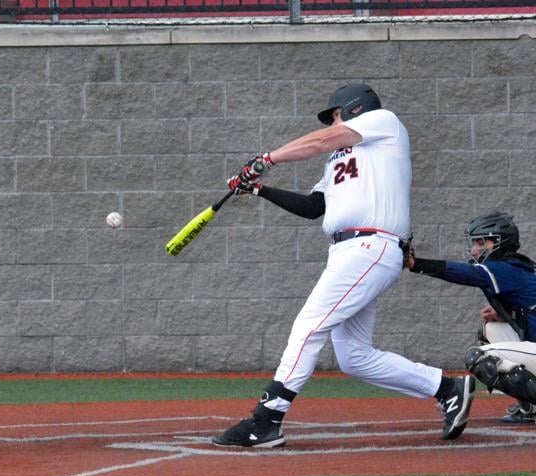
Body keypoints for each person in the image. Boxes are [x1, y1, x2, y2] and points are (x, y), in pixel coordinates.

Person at [211, 83, 475, 448]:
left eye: (335, 115)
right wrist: (257, 189)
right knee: (355, 357)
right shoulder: (336, 161)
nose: (332, 123)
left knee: (309, 325)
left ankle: (266, 420)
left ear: (354, 109)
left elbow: (321, 140)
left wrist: (265, 161)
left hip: (370, 245)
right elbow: (312, 207)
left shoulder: (384, 122)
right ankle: (447, 387)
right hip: (348, 252)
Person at [407, 211, 536, 423]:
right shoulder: (519, 266)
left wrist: (416, 264)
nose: (474, 249)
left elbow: (466, 273)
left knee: (478, 358)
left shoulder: (505, 268)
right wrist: (508, 313)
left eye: (480, 242)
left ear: (498, 242)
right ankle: (530, 409)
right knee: (490, 330)